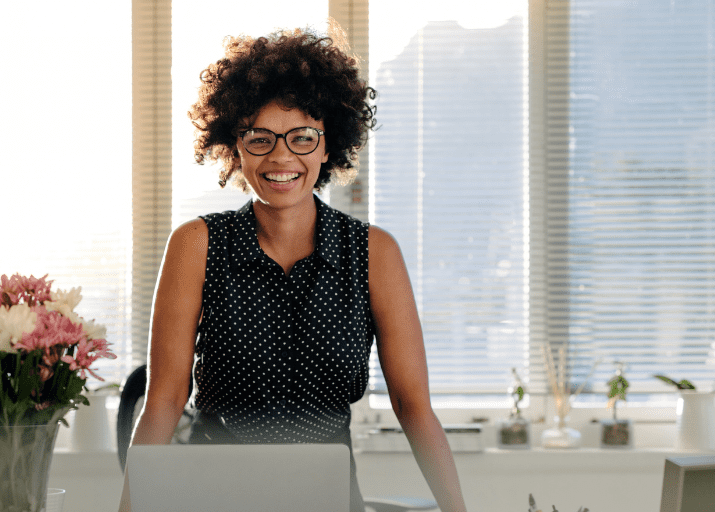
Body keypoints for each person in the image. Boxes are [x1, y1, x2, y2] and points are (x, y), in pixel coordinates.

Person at [119, 25, 468, 512]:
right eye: (259, 138)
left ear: (328, 147)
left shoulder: (373, 254)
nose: (281, 156)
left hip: (326, 500)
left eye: (302, 137)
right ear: (235, 147)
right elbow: (163, 400)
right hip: (211, 497)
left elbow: (414, 407)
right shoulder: (195, 245)